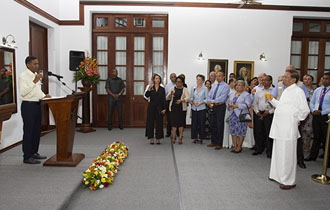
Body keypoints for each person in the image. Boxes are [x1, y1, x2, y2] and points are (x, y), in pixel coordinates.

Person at [268, 69, 309, 190]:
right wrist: (272, 100)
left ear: (293, 79)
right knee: (278, 152)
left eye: (286, 77)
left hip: (288, 127)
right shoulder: (286, 91)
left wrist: (296, 120)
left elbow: (305, 110)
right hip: (279, 126)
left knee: (287, 155)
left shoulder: (298, 91)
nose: (283, 78)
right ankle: (277, 175)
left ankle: (288, 180)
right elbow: (282, 106)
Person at [18, 56, 51, 164]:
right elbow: (23, 92)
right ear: (28, 65)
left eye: (38, 63)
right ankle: (27, 156)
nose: (37, 66)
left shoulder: (34, 75)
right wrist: (34, 81)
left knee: (36, 130)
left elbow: (36, 91)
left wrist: (44, 96)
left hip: (37, 105)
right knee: (29, 131)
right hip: (28, 106)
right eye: (35, 64)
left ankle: (34, 152)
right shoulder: (24, 76)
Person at [305, 72, 330, 168]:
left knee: (326, 138)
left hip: (326, 116)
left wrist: (322, 112)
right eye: (323, 78)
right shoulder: (318, 90)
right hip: (316, 115)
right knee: (316, 137)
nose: (324, 80)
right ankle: (312, 155)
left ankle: (327, 159)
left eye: (327, 78)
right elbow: (312, 102)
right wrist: (313, 110)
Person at [252, 75, 274, 157]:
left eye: (266, 80)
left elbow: (276, 105)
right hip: (259, 113)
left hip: (269, 114)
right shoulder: (259, 91)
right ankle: (258, 149)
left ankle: (269, 151)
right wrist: (257, 112)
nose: (263, 82)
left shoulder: (274, 91)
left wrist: (269, 112)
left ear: (270, 81)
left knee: (268, 132)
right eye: (262, 80)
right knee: (258, 132)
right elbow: (254, 103)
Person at [207, 71, 230, 150]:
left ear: (223, 77)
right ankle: (214, 141)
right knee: (212, 124)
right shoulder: (214, 85)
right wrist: (209, 102)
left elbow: (222, 98)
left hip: (220, 106)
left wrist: (212, 101)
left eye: (219, 76)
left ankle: (219, 143)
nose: (217, 77)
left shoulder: (226, 86)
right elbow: (209, 95)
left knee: (219, 125)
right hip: (212, 106)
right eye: (217, 76)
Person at [227, 80, 252, 153]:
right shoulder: (232, 94)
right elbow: (228, 102)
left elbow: (247, 105)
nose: (238, 86)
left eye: (240, 85)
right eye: (237, 85)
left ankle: (239, 146)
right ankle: (235, 146)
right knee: (233, 131)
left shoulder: (246, 95)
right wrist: (229, 106)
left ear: (244, 87)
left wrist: (238, 106)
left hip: (241, 115)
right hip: (232, 114)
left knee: (241, 132)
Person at [145, 74, 166, 145]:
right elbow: (146, 95)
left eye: (159, 78)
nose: (158, 80)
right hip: (151, 107)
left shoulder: (162, 88)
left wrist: (164, 108)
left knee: (159, 123)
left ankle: (158, 138)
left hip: (159, 108)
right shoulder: (150, 87)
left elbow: (164, 99)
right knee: (150, 122)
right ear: (154, 79)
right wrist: (149, 88)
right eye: (156, 78)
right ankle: (151, 138)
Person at [168, 76, 190, 144]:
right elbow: (168, 98)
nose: (178, 83)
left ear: (182, 83)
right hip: (173, 108)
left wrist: (181, 100)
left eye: (179, 82)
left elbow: (188, 98)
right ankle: (173, 137)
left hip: (181, 109)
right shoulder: (172, 88)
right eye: (177, 82)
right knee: (173, 124)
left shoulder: (185, 89)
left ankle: (180, 137)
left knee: (181, 124)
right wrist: (170, 95)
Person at [190, 74, 208, 144]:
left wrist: (200, 103)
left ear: (203, 81)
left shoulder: (205, 89)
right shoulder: (193, 87)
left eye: (199, 79)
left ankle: (201, 138)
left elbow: (206, 99)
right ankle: (195, 137)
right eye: (197, 79)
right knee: (194, 123)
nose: (198, 81)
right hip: (194, 108)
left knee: (201, 123)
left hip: (201, 108)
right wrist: (193, 101)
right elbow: (191, 98)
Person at [301, 74, 315, 152]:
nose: (306, 80)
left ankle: (307, 144)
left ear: (312, 81)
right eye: (305, 79)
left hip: (310, 112)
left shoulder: (314, 90)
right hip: (301, 111)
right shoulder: (300, 90)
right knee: (301, 129)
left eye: (308, 79)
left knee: (309, 130)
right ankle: (301, 144)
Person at [164, 73, 177, 137]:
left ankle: (177, 132)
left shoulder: (179, 85)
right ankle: (168, 132)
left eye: (174, 77)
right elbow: (165, 96)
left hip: (176, 103)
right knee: (169, 118)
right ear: (170, 78)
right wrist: (169, 96)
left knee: (177, 117)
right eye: (172, 77)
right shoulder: (167, 86)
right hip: (169, 103)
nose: (173, 78)